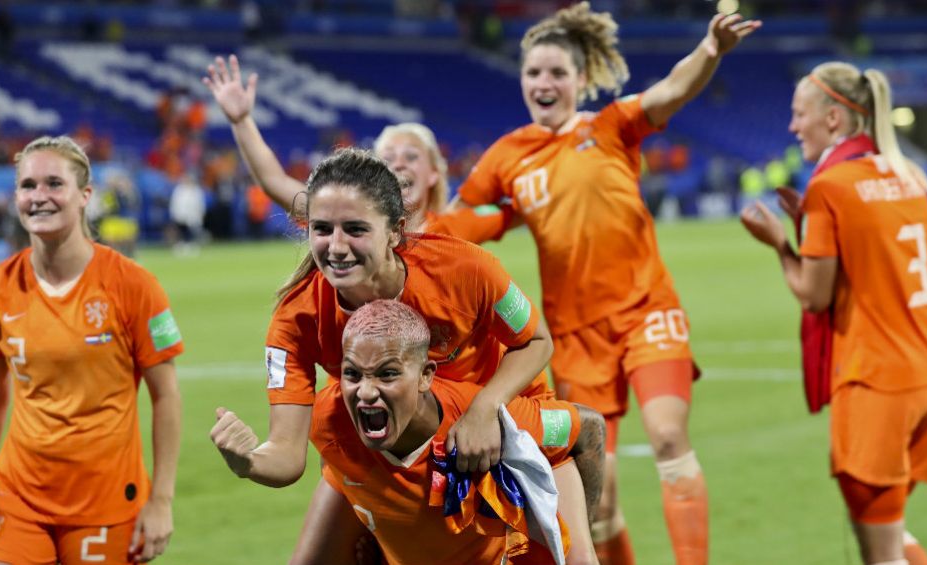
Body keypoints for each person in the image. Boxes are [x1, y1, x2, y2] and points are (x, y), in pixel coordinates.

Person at [451, 4, 760, 564]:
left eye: (557, 73)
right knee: (603, 493)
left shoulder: (610, 126)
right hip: (575, 338)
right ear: (521, 80)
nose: (544, 83)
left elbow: (669, 92)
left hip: (647, 311)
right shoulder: (507, 156)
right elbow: (457, 222)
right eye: (534, 74)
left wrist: (709, 50)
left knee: (668, 436)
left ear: (580, 80)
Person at [209, 148, 599, 564]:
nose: (336, 248)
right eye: (321, 229)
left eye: (355, 229)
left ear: (395, 231)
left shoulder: (462, 269)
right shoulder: (296, 319)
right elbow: (286, 456)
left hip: (496, 425)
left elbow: (536, 341)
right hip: (383, 441)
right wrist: (247, 461)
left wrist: (486, 409)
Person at [739, 62, 927, 565]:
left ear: (833, 119)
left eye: (799, 114)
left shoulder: (830, 187)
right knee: (891, 533)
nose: (792, 127)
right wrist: (810, 230)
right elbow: (869, 258)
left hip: (878, 383)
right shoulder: (906, 175)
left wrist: (780, 246)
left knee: (881, 552)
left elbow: (814, 295)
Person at [0, 136, 183, 564]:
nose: (39, 197)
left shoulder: (134, 285)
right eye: (28, 186)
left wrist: (161, 500)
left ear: (85, 196)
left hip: (106, 500)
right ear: (15, 197)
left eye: (53, 184)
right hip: (19, 496)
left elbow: (166, 395)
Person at [311, 298, 607, 565]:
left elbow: (589, 428)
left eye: (387, 374)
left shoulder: (492, 422)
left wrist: (583, 544)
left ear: (426, 375)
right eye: (352, 374)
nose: (365, 391)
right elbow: (330, 453)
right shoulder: (329, 416)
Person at [201, 55, 514, 244]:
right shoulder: (350, 220)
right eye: (388, 158)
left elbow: (523, 210)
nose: (399, 165)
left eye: (411, 156)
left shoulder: (459, 226)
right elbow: (275, 182)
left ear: (434, 173)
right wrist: (242, 121)